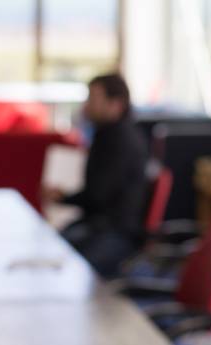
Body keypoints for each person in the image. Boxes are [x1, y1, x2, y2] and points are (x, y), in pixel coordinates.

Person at [44, 73, 149, 278]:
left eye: (93, 99)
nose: (87, 106)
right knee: (51, 249)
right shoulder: (109, 134)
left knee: (60, 266)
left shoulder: (119, 141)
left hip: (115, 233)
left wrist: (63, 197)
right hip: (99, 224)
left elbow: (98, 195)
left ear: (115, 104)